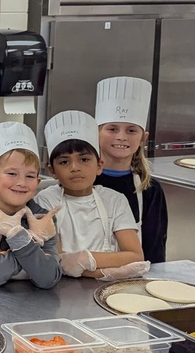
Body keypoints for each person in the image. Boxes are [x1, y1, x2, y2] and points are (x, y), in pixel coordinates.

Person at [37, 111, 149, 280]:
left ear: (99, 166)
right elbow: (55, 259)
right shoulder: (46, 200)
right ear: (52, 171)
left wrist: (84, 260)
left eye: (84, 159)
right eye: (64, 162)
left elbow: (134, 255)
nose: (75, 167)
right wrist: (108, 270)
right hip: (59, 289)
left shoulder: (115, 200)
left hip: (108, 289)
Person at [0, 122, 62, 289]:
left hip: (36, 304)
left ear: (37, 182)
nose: (21, 183)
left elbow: (48, 278)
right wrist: (34, 236)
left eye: (29, 176)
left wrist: (22, 238)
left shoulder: (42, 217)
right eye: (12, 174)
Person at [94, 76, 168, 264]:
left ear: (143, 138)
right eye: (112, 129)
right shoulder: (82, 182)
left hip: (133, 280)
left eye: (131, 130)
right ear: (96, 132)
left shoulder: (150, 190)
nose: (121, 137)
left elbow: (155, 248)